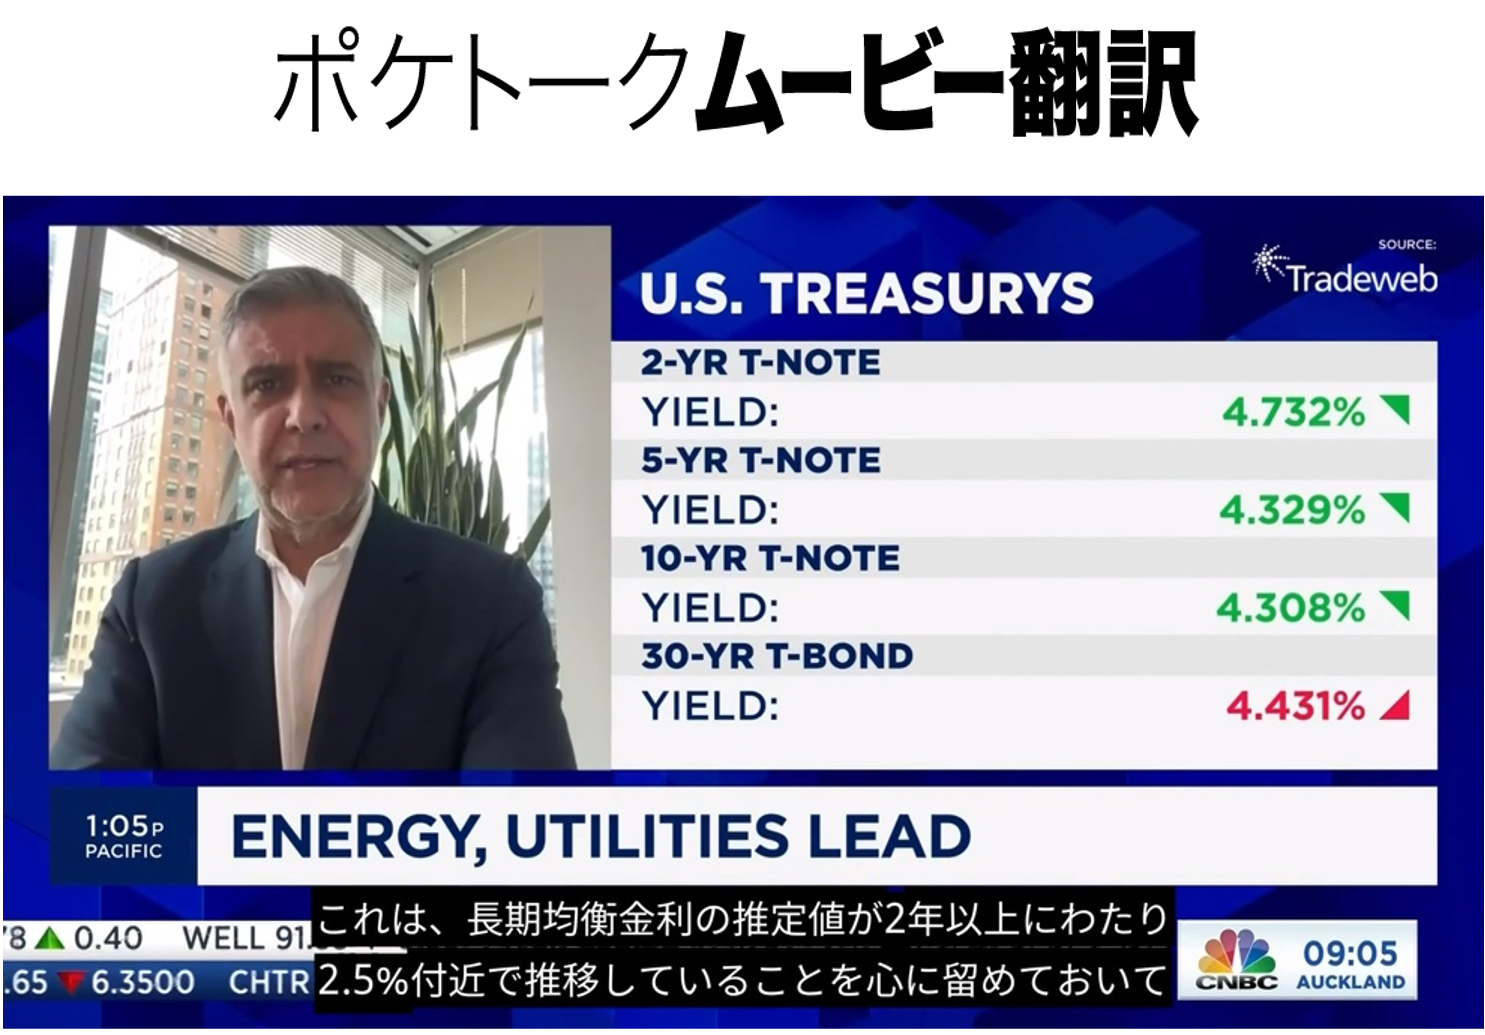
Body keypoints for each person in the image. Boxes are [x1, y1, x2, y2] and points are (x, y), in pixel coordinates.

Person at [50, 266, 577, 771]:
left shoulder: (492, 603)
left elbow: (520, 824)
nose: (304, 416)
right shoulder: (151, 603)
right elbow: (81, 819)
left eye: (336, 379)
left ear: (380, 406)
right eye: (267, 385)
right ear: (231, 421)